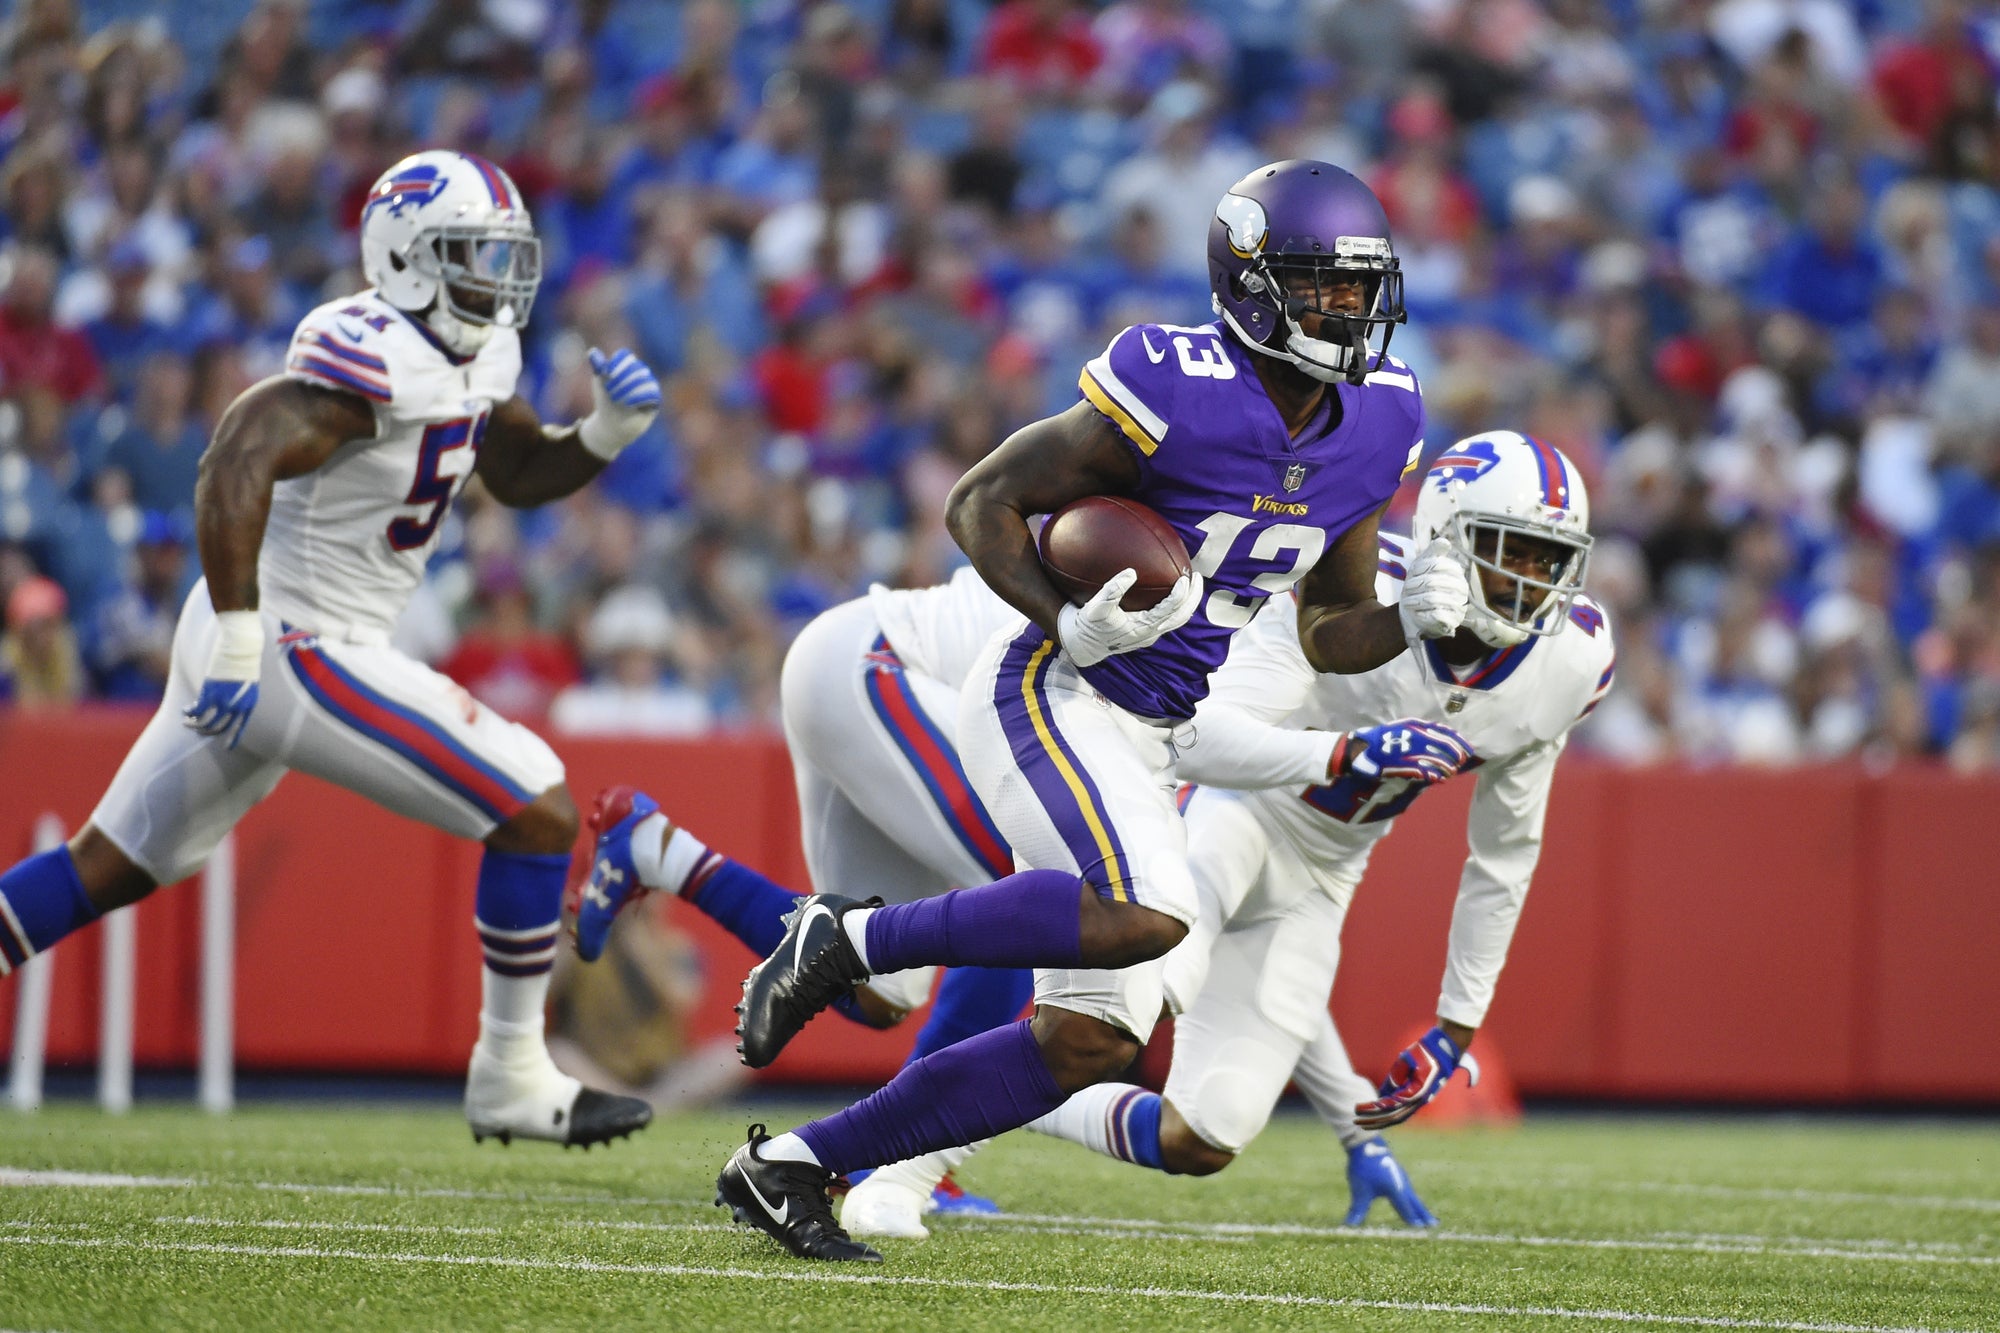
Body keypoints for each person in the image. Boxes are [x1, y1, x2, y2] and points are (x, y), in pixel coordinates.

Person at [715, 159, 1478, 1262]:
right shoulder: (1173, 382)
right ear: (1253, 284)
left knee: (1087, 1038)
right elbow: (980, 501)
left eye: (1360, 288)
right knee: (1148, 910)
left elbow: (1328, 628)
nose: (1346, 311)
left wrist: (1414, 618)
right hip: (1054, 687)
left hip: (1156, 724)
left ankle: (793, 1166)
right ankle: (845, 934)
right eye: (1320, 286)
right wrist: (1055, 618)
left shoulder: (1378, 417)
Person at [0, 151, 663, 1150]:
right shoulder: (372, 348)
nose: (494, 275)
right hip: (282, 631)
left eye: (501, 253)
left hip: (281, 632)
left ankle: (512, 1076)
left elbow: (515, 469)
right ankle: (511, 1075)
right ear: (404, 254)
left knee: (114, 864)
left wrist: (601, 436)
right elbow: (237, 455)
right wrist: (236, 628)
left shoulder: (480, 351)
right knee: (536, 801)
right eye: (469, 253)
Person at [843, 431, 1613, 1236]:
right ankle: (897, 1167)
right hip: (1231, 811)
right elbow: (1199, 735)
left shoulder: (1569, 662)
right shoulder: (1344, 590)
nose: (1533, 583)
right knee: (1111, 1020)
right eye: (1514, 553)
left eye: (1549, 560)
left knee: (1206, 1134)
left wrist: (1456, 1023)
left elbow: (1505, 855)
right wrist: (1342, 751)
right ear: (1444, 538)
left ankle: (1002, 1095)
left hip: (1321, 876)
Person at [571, 567, 1036, 1213]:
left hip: (866, 671)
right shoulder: (1182, 588)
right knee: (1030, 895)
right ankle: (907, 1157)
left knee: (876, 990)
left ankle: (659, 851)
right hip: (877, 663)